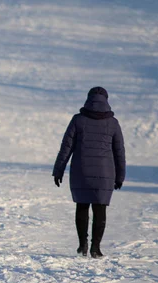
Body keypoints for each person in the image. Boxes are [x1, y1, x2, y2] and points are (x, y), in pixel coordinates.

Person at [52, 87, 126, 258]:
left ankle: (82, 244)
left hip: (81, 170)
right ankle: (96, 247)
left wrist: (58, 170)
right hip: (105, 172)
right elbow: (119, 152)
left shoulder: (78, 120)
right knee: (100, 209)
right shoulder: (113, 123)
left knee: (82, 206)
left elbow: (66, 147)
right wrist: (120, 176)